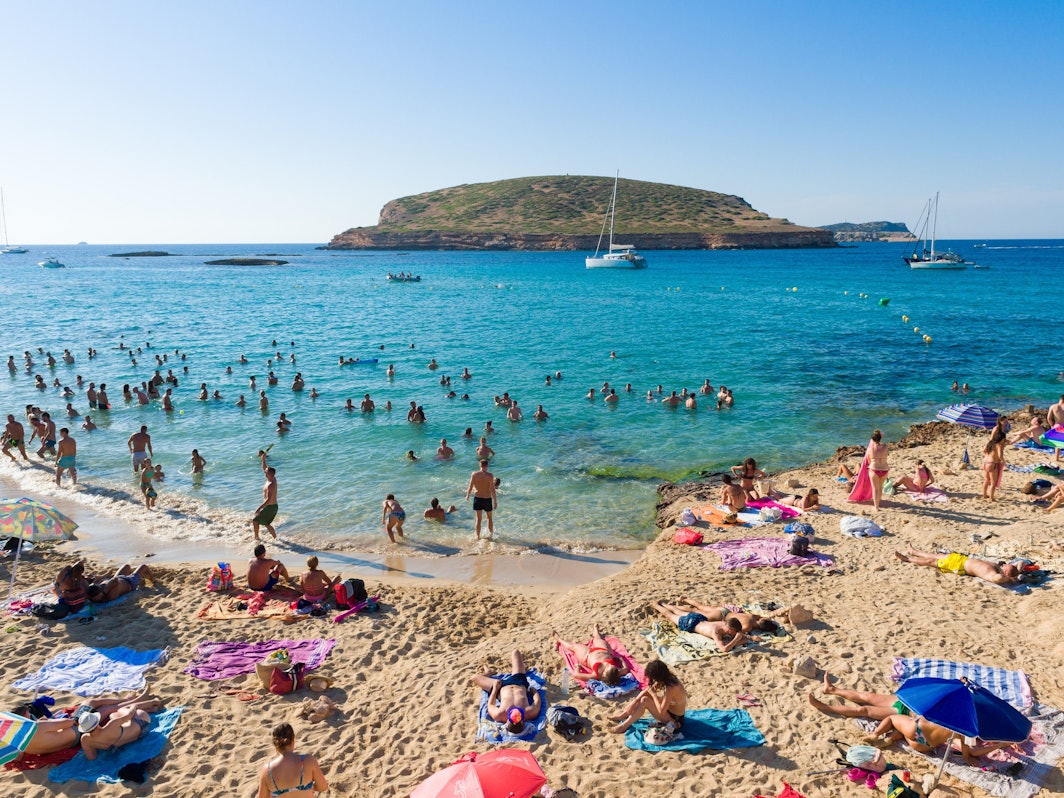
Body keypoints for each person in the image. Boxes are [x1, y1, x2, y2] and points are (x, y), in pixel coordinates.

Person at [866, 711, 1014, 766]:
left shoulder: (946, 705)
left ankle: (876, 734)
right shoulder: (966, 731)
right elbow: (971, 754)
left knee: (892, 718)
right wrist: (1000, 745)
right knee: (904, 733)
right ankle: (893, 737)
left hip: (916, 728)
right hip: (924, 746)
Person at [471, 650, 543, 733]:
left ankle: (488, 673)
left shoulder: (499, 715)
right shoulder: (529, 713)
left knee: (474, 677)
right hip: (519, 682)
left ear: (507, 721)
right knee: (515, 652)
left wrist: (495, 688)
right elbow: (537, 701)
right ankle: (522, 667)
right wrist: (533, 690)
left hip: (501, 688)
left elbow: (490, 704)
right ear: (522, 721)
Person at [608, 659, 687, 734]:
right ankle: (624, 714)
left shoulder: (671, 688)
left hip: (675, 720)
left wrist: (654, 695)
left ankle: (624, 726)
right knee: (645, 696)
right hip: (669, 710)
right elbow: (648, 690)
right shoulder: (667, 678)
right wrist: (634, 702)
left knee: (645, 700)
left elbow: (661, 711)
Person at [257, 722, 328, 798]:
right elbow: (323, 787)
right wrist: (309, 786)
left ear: (275, 745)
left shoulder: (267, 770)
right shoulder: (308, 760)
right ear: (293, 739)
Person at [81, 701, 164, 761]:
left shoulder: (85, 740)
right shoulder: (111, 725)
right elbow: (130, 714)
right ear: (97, 721)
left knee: (113, 715)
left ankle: (150, 709)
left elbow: (92, 758)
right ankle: (154, 702)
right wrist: (134, 706)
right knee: (122, 710)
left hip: (136, 736)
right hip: (142, 723)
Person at [652, 601, 748, 653]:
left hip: (699, 618)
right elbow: (724, 649)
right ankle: (656, 606)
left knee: (677, 612)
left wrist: (740, 638)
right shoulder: (716, 632)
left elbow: (744, 639)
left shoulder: (723, 623)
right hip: (690, 624)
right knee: (671, 616)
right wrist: (736, 640)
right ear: (731, 630)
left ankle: (664, 604)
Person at [552, 624, 631, 686]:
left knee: (573, 647)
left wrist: (578, 667)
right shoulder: (617, 672)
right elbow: (626, 669)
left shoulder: (596, 675)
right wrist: (620, 659)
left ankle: (559, 639)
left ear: (604, 674)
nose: (609, 665)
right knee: (597, 639)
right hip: (603, 650)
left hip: (587, 656)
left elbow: (577, 675)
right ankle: (595, 631)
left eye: (609, 667)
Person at [894, 547, 1020, 585]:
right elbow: (1021, 563)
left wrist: (1010, 578)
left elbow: (998, 579)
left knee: (931, 562)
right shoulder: (998, 567)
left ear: (1006, 573)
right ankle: (915, 552)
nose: (1004, 566)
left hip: (960, 566)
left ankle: (907, 558)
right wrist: (1016, 571)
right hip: (962, 559)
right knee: (936, 555)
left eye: (1006, 568)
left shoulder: (994, 574)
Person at [673, 597, 780, 634]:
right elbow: (736, 632)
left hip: (724, 610)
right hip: (720, 617)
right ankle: (676, 607)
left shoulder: (753, 616)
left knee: (700, 606)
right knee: (694, 612)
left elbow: (765, 617)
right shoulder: (748, 627)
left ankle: (682, 599)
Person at [87, 563, 156, 603]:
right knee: (143, 566)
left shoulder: (96, 592)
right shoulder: (110, 596)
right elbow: (114, 581)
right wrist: (105, 591)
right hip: (130, 582)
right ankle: (153, 581)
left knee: (127, 566)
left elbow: (95, 580)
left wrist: (101, 577)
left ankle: (143, 579)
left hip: (119, 577)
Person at [466, 459, 497, 540]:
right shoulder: (490, 475)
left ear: (480, 466)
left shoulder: (474, 474)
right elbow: (492, 489)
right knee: (489, 518)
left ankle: (477, 536)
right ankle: (490, 536)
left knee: (478, 519)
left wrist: (468, 495)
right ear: (487, 466)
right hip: (487, 498)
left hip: (477, 498)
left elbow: (470, 486)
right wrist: (495, 501)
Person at [253, 451, 279, 540]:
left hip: (270, 507)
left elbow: (268, 500)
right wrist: (263, 460)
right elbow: (265, 468)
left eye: (266, 472)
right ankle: (276, 538)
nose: (264, 472)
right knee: (266, 523)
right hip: (271, 507)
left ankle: (256, 538)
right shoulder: (272, 478)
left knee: (255, 520)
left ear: (269, 474)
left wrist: (259, 508)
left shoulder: (271, 484)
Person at [865, 429, 889, 511]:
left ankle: (876, 507)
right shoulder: (885, 447)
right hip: (885, 469)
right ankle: (878, 502)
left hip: (874, 469)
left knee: (875, 488)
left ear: (872, 439)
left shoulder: (870, 449)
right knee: (880, 487)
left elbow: (868, 461)